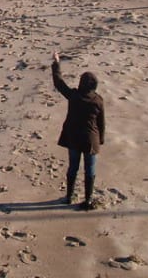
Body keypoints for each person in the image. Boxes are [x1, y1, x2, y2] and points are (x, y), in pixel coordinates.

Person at [51, 51, 105, 209]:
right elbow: (101, 123)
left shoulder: (74, 96)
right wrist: (100, 141)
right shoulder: (98, 100)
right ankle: (88, 200)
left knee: (73, 167)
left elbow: (59, 83)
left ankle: (69, 196)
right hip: (91, 140)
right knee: (90, 170)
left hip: (74, 138)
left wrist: (56, 63)